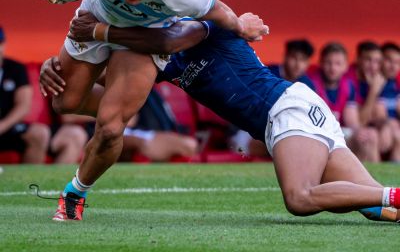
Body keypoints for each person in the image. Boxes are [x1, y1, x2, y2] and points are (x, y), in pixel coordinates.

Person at [17, 0, 268, 221]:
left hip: (144, 36)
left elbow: (221, 13)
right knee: (64, 102)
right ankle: (119, 103)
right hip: (95, 13)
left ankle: (75, 194)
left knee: (109, 128)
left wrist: (241, 25)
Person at [40, 13, 400, 224]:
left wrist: (101, 32)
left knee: (300, 197)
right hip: (302, 112)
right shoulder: (161, 60)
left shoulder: (198, 25)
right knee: (377, 207)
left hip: (285, 110)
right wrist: (56, 69)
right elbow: (97, 91)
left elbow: (169, 39)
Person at [310, 42, 380, 162]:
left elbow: (351, 120)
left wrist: (360, 131)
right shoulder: (311, 84)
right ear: (321, 63)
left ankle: (374, 177)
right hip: (316, 134)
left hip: (339, 132)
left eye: (338, 63)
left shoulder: (348, 86)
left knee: (370, 135)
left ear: (345, 66)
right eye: (328, 63)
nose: (333, 68)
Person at [0, 26, 50, 163]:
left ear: (3, 45)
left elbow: (23, 105)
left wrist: (2, 126)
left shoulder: (16, 69)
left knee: (39, 133)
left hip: (7, 125)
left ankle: (31, 182)